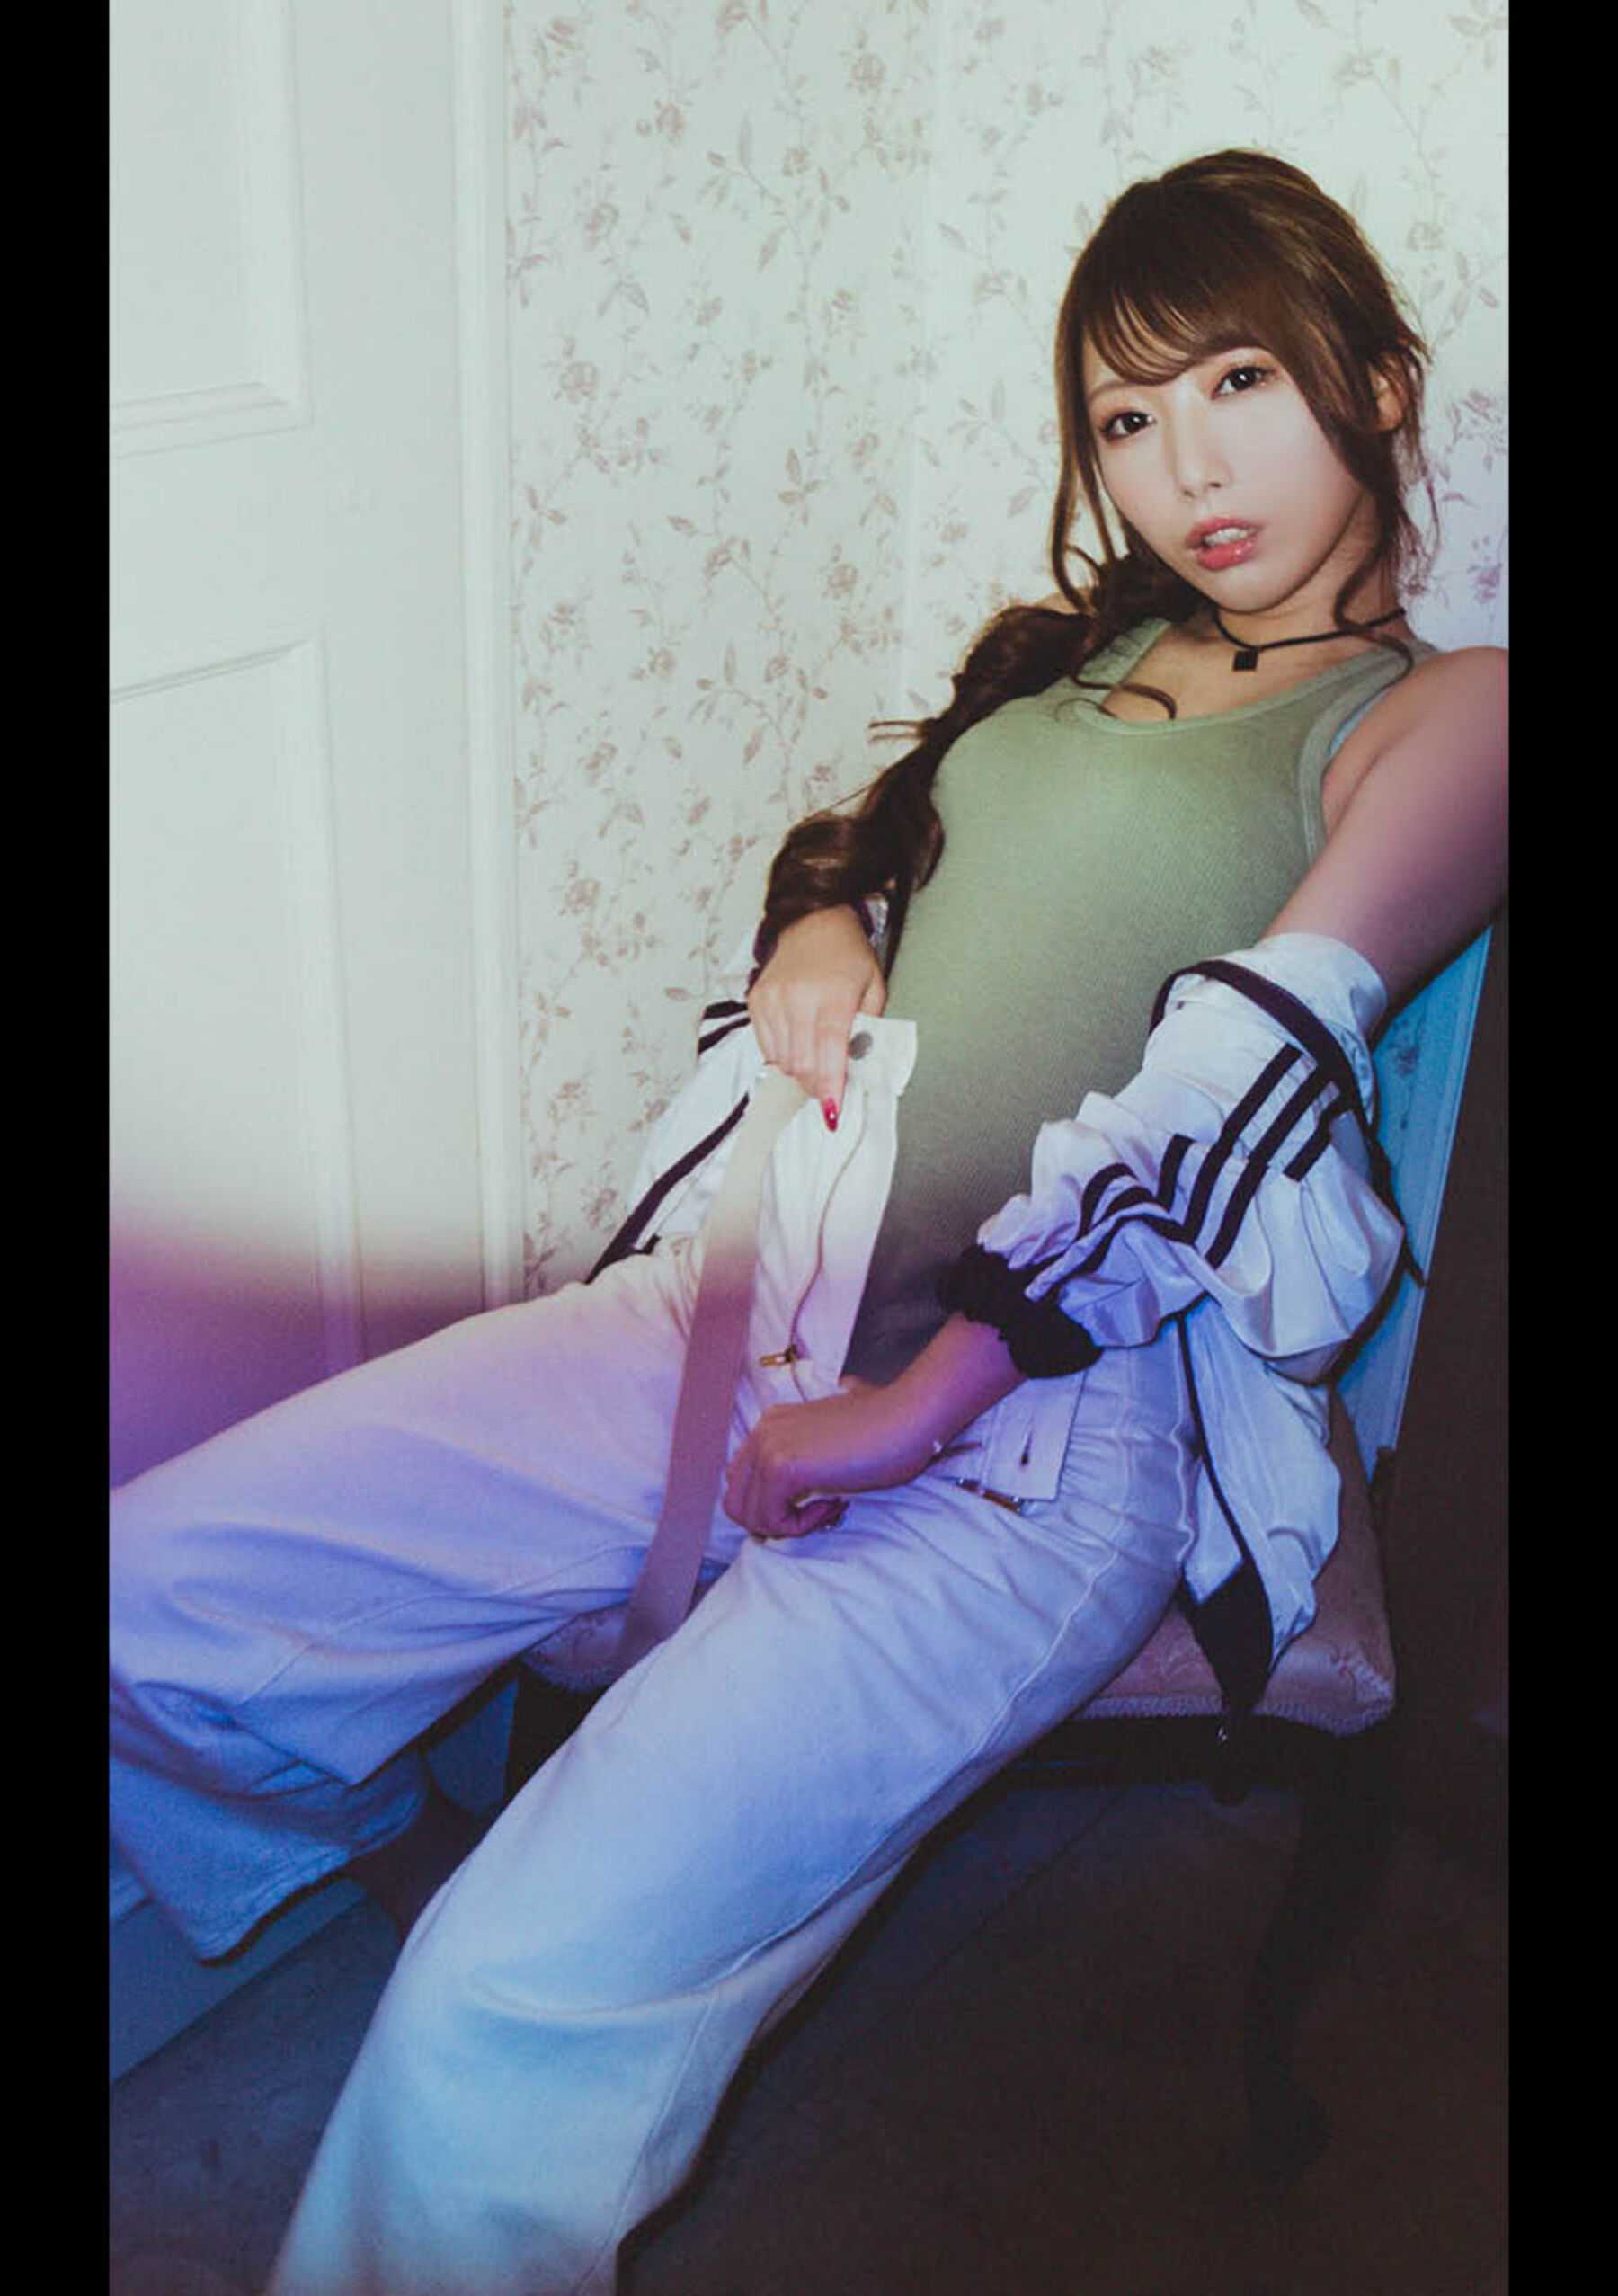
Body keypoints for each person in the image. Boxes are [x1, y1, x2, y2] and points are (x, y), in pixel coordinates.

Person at [109, 148, 1507, 2294]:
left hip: (1036, 1439)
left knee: (497, 2002)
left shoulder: (1440, 711)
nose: (1188, 467)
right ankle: (371, 1829)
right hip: (750, 1301)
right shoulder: (1080, 662)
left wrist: (918, 1402)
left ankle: (503, 1971)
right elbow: (883, 840)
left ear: (1384, 381)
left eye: (1241, 380)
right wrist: (828, 919)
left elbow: (1240, 1077)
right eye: (1129, 416)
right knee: (158, 1591)